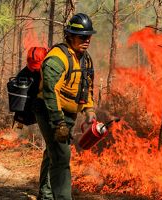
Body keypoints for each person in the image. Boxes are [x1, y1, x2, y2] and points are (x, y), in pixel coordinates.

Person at [34, 13, 97, 200]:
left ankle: (45, 194)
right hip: (49, 111)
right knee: (62, 156)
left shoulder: (85, 58)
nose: (86, 40)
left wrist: (89, 110)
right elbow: (49, 91)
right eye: (82, 37)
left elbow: (87, 87)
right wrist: (58, 123)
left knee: (53, 152)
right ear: (69, 36)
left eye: (89, 36)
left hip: (69, 114)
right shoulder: (57, 58)